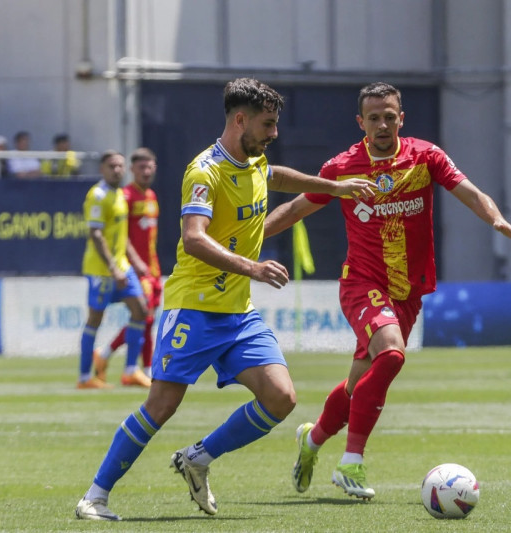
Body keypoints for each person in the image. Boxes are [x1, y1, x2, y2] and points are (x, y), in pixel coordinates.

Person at [74, 77, 374, 521]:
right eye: (268, 124)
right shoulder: (204, 172)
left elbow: (275, 176)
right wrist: (253, 267)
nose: (273, 133)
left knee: (281, 398)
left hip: (238, 312)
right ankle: (94, 497)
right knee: (161, 405)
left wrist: (333, 186)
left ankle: (197, 458)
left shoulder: (253, 160)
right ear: (240, 120)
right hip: (193, 306)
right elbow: (193, 239)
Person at [263, 81, 511, 500]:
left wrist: (495, 219)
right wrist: (246, 237)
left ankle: (311, 441)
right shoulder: (343, 167)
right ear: (360, 122)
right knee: (391, 354)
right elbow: (296, 208)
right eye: (374, 117)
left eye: (389, 116)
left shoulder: (425, 156)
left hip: (408, 290)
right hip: (362, 282)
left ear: (401, 118)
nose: (382, 124)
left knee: (359, 384)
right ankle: (352, 463)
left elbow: (471, 192)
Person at [77, 150, 151, 389]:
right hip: (101, 270)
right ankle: (85, 377)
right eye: (112, 166)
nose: (117, 170)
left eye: (120, 165)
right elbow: (96, 234)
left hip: (122, 266)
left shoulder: (119, 194)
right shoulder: (97, 195)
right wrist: (113, 268)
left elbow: (121, 235)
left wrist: (135, 261)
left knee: (141, 310)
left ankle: (130, 371)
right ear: (102, 169)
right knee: (95, 319)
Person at [94, 147, 161, 380]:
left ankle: (134, 365)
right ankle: (140, 367)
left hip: (153, 267)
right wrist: (135, 262)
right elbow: (122, 236)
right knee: (144, 315)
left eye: (150, 167)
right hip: (136, 268)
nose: (146, 171)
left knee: (148, 318)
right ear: (132, 169)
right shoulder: (126, 196)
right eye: (141, 167)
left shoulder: (151, 197)